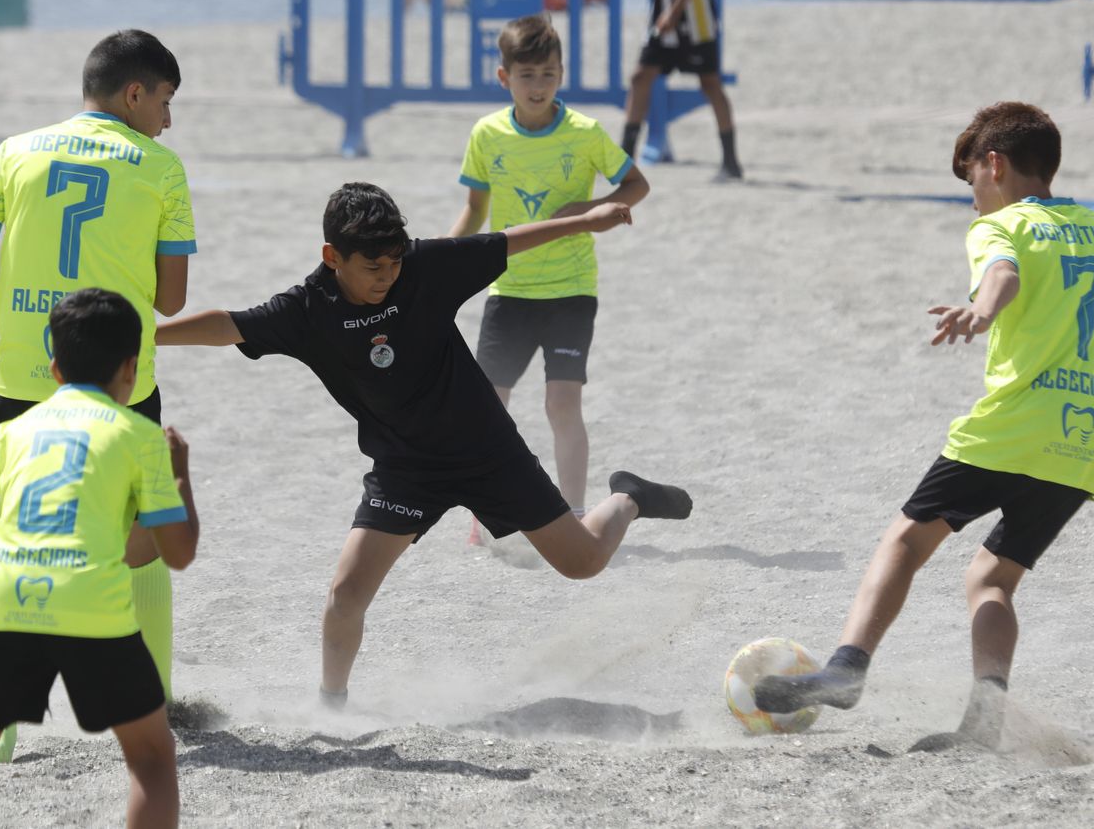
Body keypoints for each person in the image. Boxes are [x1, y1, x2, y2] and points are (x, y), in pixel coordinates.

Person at [752, 102, 1094, 751]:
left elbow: (1003, 276)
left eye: (973, 185)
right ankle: (986, 712)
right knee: (991, 579)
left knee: (905, 539)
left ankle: (847, 668)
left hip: (1012, 427)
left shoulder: (1003, 226)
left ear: (996, 165)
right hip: (1083, 446)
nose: (975, 202)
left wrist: (982, 311)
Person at [156, 182, 692, 704]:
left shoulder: (424, 267)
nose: (388, 276)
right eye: (373, 267)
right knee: (346, 595)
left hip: (488, 453)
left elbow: (507, 240)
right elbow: (231, 325)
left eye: (394, 263)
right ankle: (332, 703)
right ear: (332, 256)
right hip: (405, 467)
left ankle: (628, 497)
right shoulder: (306, 311)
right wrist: (148, 334)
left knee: (584, 563)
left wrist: (586, 221)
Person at [0, 29, 195, 759]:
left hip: (24, 382)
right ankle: (154, 710)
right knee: (139, 546)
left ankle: (0, 732)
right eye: (166, 103)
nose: (168, 122)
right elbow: (173, 299)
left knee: (8, 542)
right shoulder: (162, 168)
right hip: (120, 387)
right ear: (135, 93)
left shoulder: (16, 151)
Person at [0, 288, 198, 829]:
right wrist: (181, 479)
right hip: (92, 604)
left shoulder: (13, 432)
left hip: (4, 603)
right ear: (131, 370)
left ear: (53, 366)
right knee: (153, 761)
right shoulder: (141, 437)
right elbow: (179, 555)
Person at [447, 14, 649, 544]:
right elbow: (473, 210)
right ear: (503, 76)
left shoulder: (584, 133)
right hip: (508, 289)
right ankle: (485, 516)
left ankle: (577, 514)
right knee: (489, 408)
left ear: (562, 74)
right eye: (527, 75)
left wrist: (592, 205)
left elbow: (636, 184)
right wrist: (445, 258)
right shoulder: (486, 134)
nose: (538, 87)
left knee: (561, 404)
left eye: (549, 75)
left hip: (571, 288)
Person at [619, 0, 741, 179]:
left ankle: (731, 162)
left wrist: (674, 12)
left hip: (695, 21)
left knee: (710, 85)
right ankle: (624, 158)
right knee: (640, 77)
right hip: (661, 18)